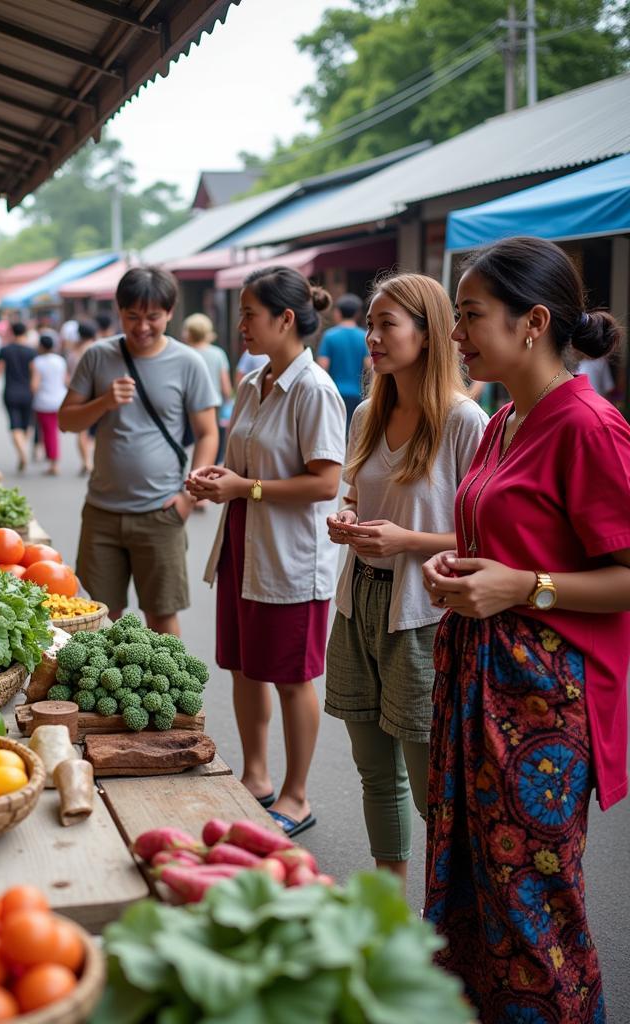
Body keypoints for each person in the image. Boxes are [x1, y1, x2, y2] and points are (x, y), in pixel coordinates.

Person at [421, 236, 629, 1024]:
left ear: (533, 321)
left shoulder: (588, 426)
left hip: (544, 704)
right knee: (470, 891)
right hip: (477, 680)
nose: (457, 335)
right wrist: (462, 571)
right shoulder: (502, 419)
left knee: (535, 909)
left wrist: (525, 587)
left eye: (470, 316)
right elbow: (492, 545)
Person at [323, 274, 488, 882]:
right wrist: (347, 519)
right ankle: (387, 909)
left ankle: (448, 916)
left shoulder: (464, 421)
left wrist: (407, 541)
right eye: (370, 324)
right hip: (358, 600)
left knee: (430, 788)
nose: (372, 337)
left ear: (428, 332)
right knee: (375, 772)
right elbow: (353, 493)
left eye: (386, 325)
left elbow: (485, 539)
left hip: (422, 612)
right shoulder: (368, 411)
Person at [190, 267, 344, 837]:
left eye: (250, 313)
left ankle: (297, 796)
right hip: (243, 545)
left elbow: (325, 483)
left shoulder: (314, 389)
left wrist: (243, 488)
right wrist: (219, 479)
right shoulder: (254, 383)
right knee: (243, 666)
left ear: (285, 319)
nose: (241, 325)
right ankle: (255, 778)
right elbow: (248, 469)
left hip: (289, 556)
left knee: (290, 676)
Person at [60, 267, 219, 635]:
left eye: (153, 317)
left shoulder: (188, 362)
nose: (142, 326)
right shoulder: (98, 357)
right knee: (98, 617)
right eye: (133, 316)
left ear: (170, 312)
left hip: (160, 512)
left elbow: (208, 433)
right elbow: (66, 420)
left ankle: (175, 694)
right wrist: (103, 402)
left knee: (162, 616)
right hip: (102, 511)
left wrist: (187, 497)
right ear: (119, 311)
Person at [181, 313, 232, 464]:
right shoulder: (218, 354)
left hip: (185, 408)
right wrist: (227, 402)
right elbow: (226, 388)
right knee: (211, 442)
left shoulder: (184, 353)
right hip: (212, 407)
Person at [317, 292, 369, 427]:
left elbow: (322, 366)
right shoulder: (364, 337)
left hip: (334, 393)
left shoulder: (329, 336)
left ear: (338, 312)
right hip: (357, 394)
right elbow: (369, 366)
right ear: (357, 313)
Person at [0, 321, 39, 470]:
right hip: (27, 392)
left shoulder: (5, 350)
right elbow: (34, 373)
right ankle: (23, 449)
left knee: (14, 426)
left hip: (10, 391)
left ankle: (22, 453)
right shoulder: (31, 351)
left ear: (12, 332)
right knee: (26, 424)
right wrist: (34, 389)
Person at [32, 334, 69, 476]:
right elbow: (66, 380)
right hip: (60, 399)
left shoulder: (38, 362)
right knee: (52, 431)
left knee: (49, 433)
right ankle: (52, 461)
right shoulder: (60, 360)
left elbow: (34, 384)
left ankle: (53, 463)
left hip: (44, 402)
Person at [69, 320, 99, 475]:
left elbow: (68, 376)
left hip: (78, 394)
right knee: (95, 431)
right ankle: (91, 460)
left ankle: (86, 461)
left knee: (82, 431)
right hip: (95, 394)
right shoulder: (97, 350)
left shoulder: (74, 352)